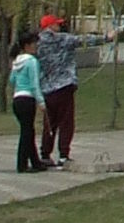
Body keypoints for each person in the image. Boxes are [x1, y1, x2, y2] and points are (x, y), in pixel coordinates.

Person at [36, 15, 78, 166]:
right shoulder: (62, 39)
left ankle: (45, 154)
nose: (59, 27)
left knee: (49, 122)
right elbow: (82, 40)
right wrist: (108, 36)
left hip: (46, 88)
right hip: (64, 85)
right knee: (66, 122)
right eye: (56, 24)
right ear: (50, 26)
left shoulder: (37, 42)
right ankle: (63, 155)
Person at [9, 32, 47, 174]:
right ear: (27, 46)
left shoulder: (17, 61)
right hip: (27, 98)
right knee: (26, 132)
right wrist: (41, 101)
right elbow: (34, 84)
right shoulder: (31, 61)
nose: (36, 46)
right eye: (34, 44)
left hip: (17, 98)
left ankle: (35, 162)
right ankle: (22, 163)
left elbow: (12, 80)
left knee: (28, 130)